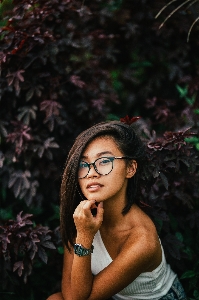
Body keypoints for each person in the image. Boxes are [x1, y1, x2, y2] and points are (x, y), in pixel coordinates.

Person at [47, 120, 187, 300]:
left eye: (104, 161)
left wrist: (84, 236)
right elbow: (72, 295)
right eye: (83, 164)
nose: (91, 172)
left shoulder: (142, 240)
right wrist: (84, 233)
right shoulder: (82, 216)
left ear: (130, 168)